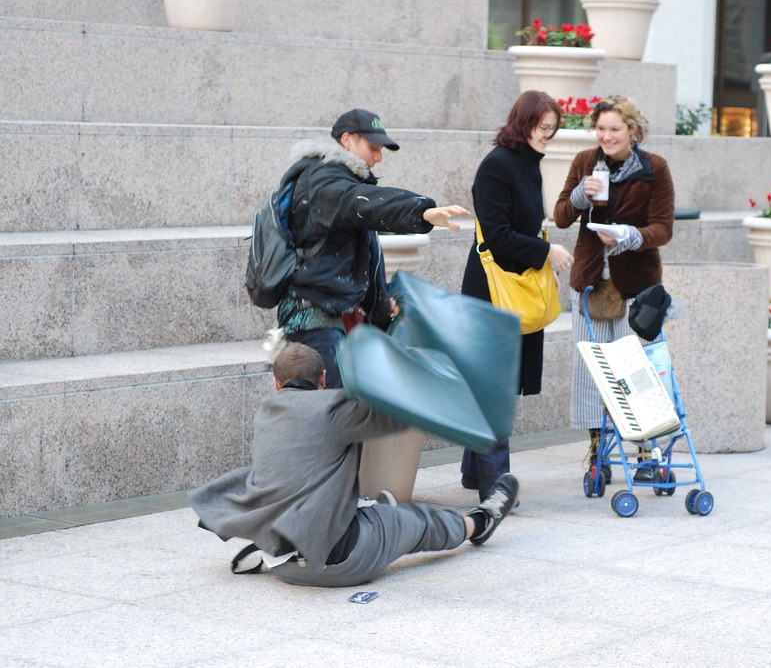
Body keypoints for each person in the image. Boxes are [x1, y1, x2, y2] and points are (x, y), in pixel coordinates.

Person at [188, 342, 519, 588]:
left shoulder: (265, 412)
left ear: (276, 384)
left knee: (262, 478)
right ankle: (481, 523)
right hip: (341, 562)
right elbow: (397, 416)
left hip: (284, 568)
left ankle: (367, 510)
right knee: (416, 520)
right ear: (324, 379)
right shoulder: (333, 406)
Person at [275, 108, 469, 388]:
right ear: (347, 140)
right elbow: (362, 201)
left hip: (335, 315)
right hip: (314, 321)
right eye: (373, 148)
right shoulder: (322, 181)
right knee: (328, 415)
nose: (378, 158)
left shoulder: (341, 180)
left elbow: (363, 255)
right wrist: (423, 212)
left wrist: (380, 304)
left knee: (342, 414)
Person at [459, 90, 575, 500]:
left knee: (493, 386)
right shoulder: (496, 167)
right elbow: (499, 235)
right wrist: (547, 252)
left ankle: (477, 475)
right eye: (544, 128)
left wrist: (544, 266)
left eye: (553, 130)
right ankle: (496, 489)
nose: (548, 136)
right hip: (493, 294)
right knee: (495, 389)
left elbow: (527, 227)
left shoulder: (529, 165)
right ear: (523, 123)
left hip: (518, 288)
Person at [552, 95, 675, 483]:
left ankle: (645, 451)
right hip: (590, 283)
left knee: (636, 372)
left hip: (635, 286)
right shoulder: (585, 162)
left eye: (615, 129)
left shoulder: (655, 168)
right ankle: (597, 449)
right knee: (592, 371)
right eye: (601, 129)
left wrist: (629, 236)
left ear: (633, 131)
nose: (606, 136)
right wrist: (579, 195)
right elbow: (560, 216)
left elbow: (664, 228)